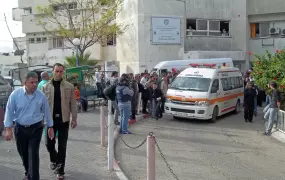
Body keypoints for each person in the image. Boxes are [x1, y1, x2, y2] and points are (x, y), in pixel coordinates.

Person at [4, 72, 54, 180]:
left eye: (36, 82)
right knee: (24, 154)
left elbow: (47, 112)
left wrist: (50, 127)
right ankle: (28, 172)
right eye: (32, 82)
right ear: (25, 83)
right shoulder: (15, 95)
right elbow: (9, 111)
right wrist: (8, 129)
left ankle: (33, 177)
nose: (34, 85)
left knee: (33, 155)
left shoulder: (41, 96)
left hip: (36, 129)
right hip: (20, 129)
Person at [41, 63, 77, 180]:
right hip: (49, 122)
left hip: (64, 120)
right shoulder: (45, 87)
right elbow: (41, 106)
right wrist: (41, 120)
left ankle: (60, 171)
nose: (58, 73)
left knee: (62, 146)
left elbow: (73, 104)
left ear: (64, 72)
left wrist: (74, 119)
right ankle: (54, 160)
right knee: (48, 144)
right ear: (52, 71)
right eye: (56, 71)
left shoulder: (69, 86)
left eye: (61, 71)